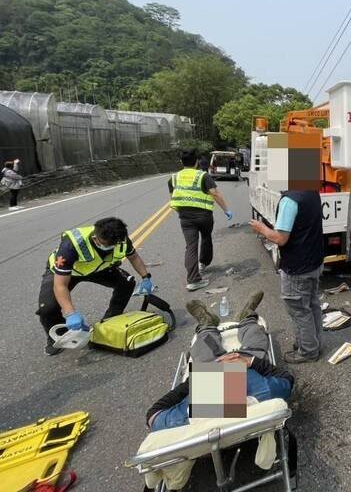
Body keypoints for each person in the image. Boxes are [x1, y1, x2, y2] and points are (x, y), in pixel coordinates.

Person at [146, 291, 294, 432]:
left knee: (205, 346)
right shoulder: (264, 390)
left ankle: (206, 324)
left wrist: (203, 375)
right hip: (243, 369)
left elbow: (153, 415)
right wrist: (251, 362)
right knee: (255, 341)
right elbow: (286, 379)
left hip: (210, 379)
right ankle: (247, 317)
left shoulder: (177, 420)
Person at [37, 217, 154, 356]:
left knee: (127, 283)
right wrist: (70, 313)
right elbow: (60, 285)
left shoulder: (120, 239)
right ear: (95, 239)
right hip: (69, 272)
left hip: (98, 268)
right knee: (47, 308)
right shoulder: (72, 245)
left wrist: (146, 278)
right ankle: (58, 336)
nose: (112, 247)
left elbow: (133, 257)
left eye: (115, 245)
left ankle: (110, 319)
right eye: (107, 245)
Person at [250, 188, 324, 364]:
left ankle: (308, 351)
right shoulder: (312, 192)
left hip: (297, 268)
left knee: (299, 310)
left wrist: (261, 228)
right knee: (312, 305)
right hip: (314, 263)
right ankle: (314, 343)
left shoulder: (290, 201)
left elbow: (280, 238)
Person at [169, 150, 233, 291]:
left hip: (185, 217)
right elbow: (215, 193)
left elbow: (173, 197)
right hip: (204, 216)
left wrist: (182, 212)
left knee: (191, 246)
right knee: (206, 237)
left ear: (181, 162)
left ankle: (193, 280)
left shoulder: (174, 178)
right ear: (197, 162)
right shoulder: (203, 176)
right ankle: (203, 263)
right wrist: (226, 210)